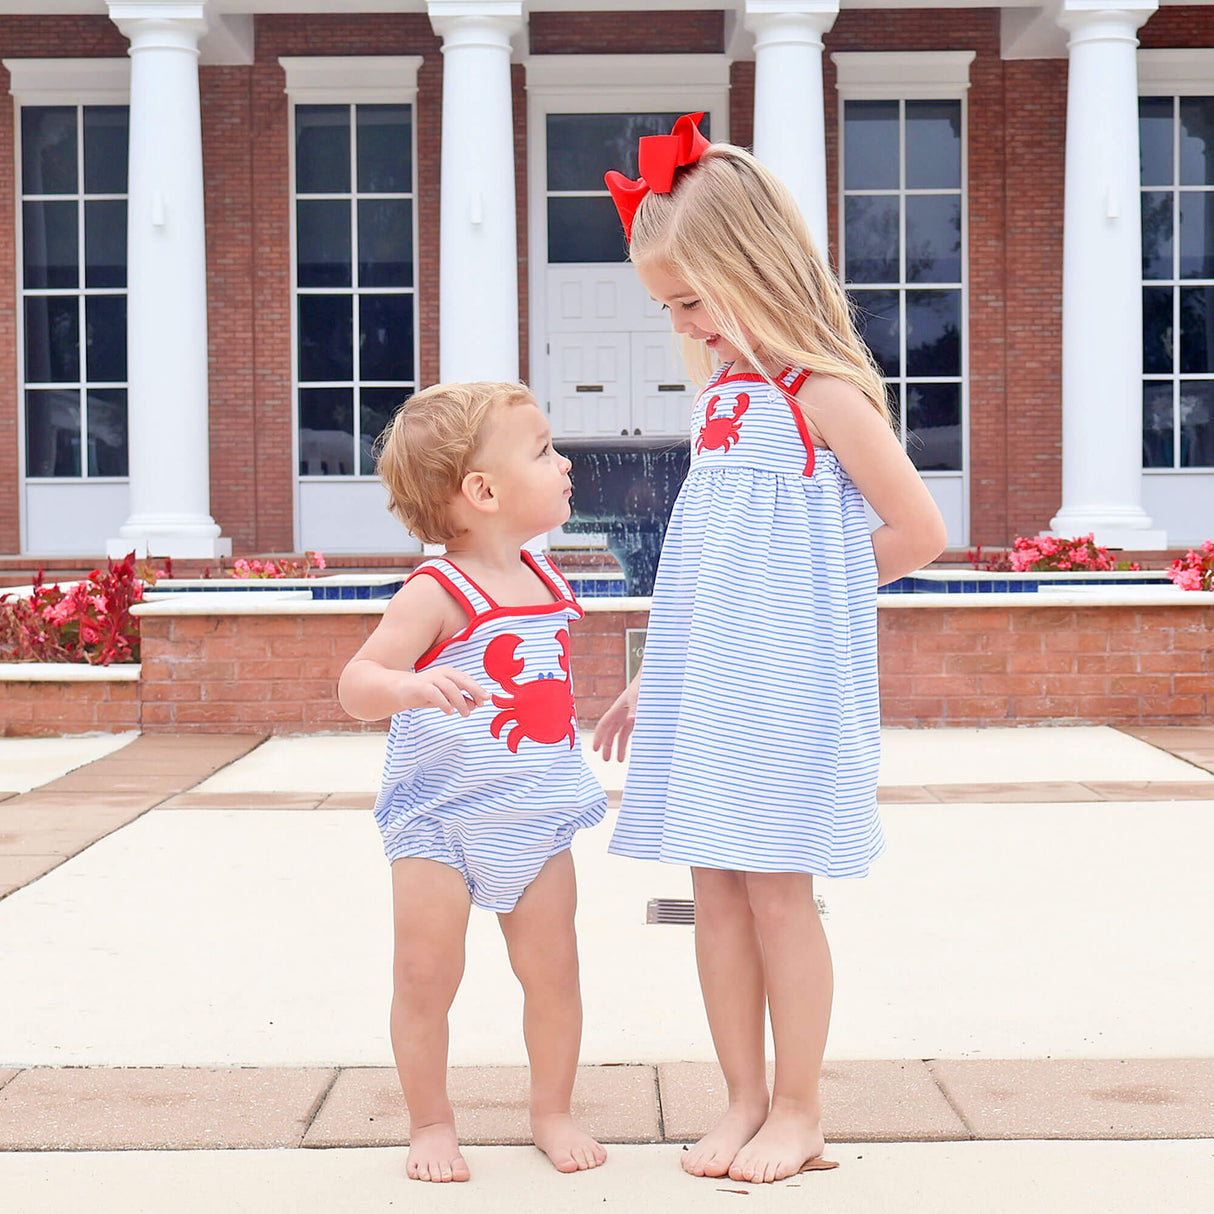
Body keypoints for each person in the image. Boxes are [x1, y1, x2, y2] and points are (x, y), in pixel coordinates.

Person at [594, 115, 948, 1185]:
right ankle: (740, 1094)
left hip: (784, 682)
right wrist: (659, 669)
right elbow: (708, 565)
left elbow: (917, 532)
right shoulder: (720, 404)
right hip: (710, 682)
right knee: (714, 884)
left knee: (779, 889)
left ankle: (799, 1106)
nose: (685, 324)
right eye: (669, 307)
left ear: (752, 270)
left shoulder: (821, 395)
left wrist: (799, 604)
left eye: (692, 299)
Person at [339, 381, 608, 1183]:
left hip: (535, 817)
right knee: (425, 978)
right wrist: (408, 687)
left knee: (554, 973)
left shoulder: (547, 578)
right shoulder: (438, 592)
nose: (564, 463)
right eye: (544, 451)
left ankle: (551, 1111)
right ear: (482, 493)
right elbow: (356, 684)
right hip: (440, 824)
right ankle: (430, 1123)